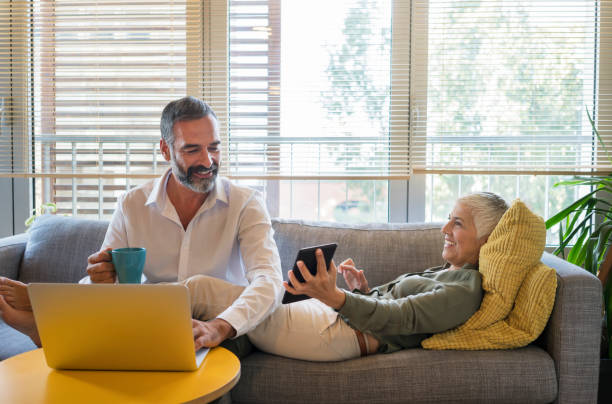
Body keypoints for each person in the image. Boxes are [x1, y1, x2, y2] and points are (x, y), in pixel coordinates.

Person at [1, 192, 508, 361]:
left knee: (199, 299)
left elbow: (402, 320)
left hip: (340, 334)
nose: (444, 228)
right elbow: (392, 307)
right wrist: (353, 289)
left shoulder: (466, 287)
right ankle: (64, 316)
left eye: (457, 223)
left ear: (487, 238)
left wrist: (335, 299)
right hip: (338, 317)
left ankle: (55, 325)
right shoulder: (448, 272)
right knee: (200, 288)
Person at [13, 96, 283, 350]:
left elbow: (268, 279)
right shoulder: (132, 204)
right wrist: (102, 277)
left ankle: (49, 323)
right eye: (192, 150)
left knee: (190, 351)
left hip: (223, 320)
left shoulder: (246, 203)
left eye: (214, 147)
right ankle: (48, 321)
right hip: (150, 316)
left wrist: (220, 326)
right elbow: (108, 286)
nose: (207, 161)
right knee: (122, 337)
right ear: (165, 149)